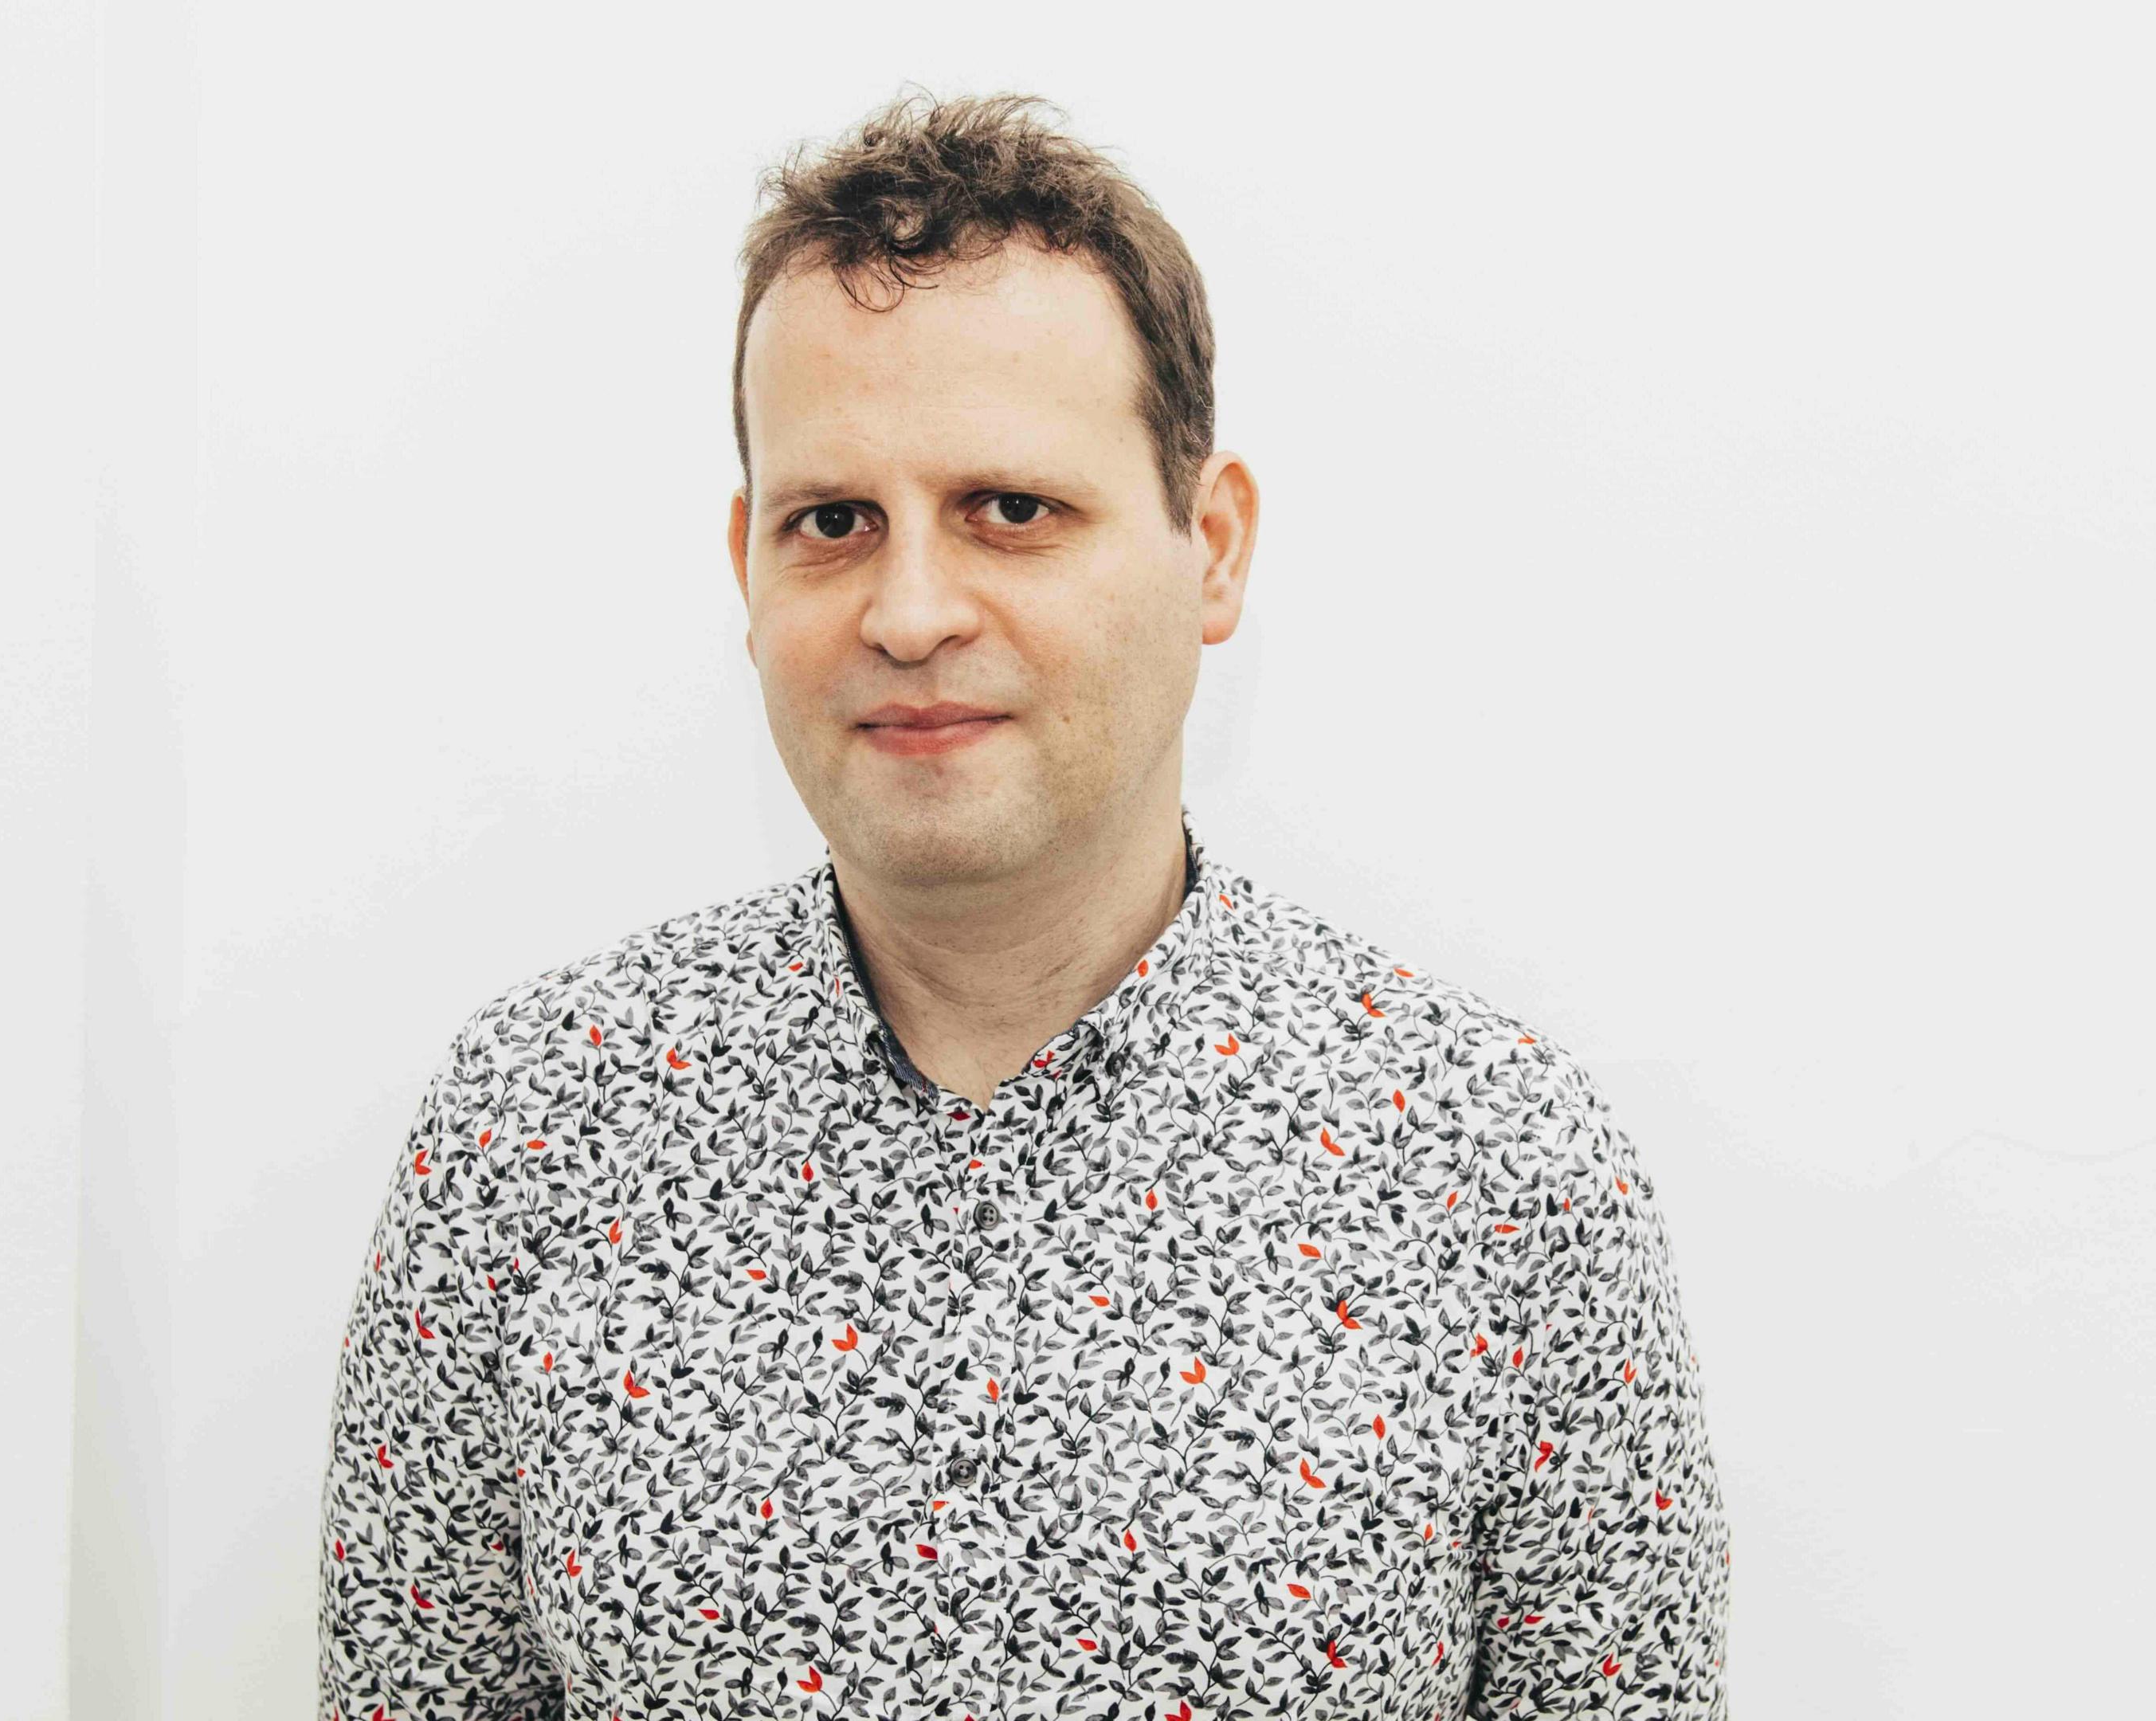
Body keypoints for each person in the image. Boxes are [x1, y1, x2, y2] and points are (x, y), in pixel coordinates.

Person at [317, 89, 1731, 1720]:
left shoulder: (1503, 1175)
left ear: (1210, 546)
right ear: (747, 564)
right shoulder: (527, 1140)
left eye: (1012, 510)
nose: (910, 611)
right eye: (834, 523)